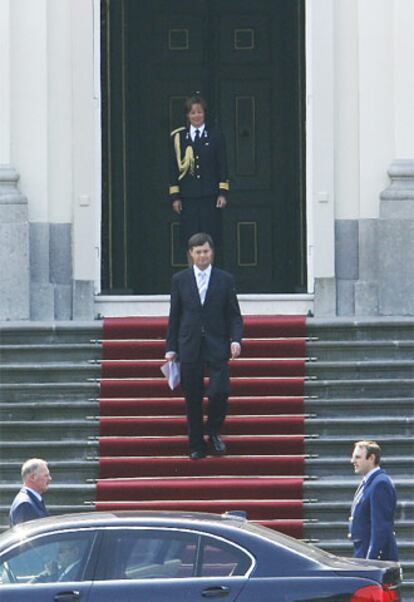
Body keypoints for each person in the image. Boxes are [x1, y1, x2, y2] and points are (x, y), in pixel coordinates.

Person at [165, 232, 243, 460]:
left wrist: (236, 339)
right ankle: (196, 444)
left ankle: (214, 431)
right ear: (191, 254)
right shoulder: (180, 280)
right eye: (198, 252)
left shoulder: (225, 279)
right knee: (193, 396)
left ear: (212, 252)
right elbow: (175, 315)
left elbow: (234, 315)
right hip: (189, 344)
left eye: (206, 251)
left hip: (217, 342)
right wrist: (171, 347)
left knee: (220, 391)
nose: (202, 256)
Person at [169, 94, 229, 248]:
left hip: (210, 197)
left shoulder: (215, 136)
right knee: (190, 241)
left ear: (205, 113)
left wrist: (222, 193)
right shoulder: (179, 137)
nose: (196, 116)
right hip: (188, 198)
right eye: (193, 112)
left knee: (209, 239)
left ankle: (208, 272)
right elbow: (173, 168)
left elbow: (222, 165)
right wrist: (175, 196)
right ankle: (192, 272)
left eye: (199, 112)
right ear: (187, 115)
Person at [348, 440, 398, 561]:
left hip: (373, 557)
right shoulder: (368, 482)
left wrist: (371, 560)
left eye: (358, 457)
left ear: (371, 458)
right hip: (362, 552)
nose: (352, 461)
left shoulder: (380, 483)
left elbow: (381, 527)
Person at [9, 458, 51, 526]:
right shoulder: (25, 504)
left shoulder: (33, 500)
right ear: (33, 477)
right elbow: (29, 535)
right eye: (46, 475)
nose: (50, 478)